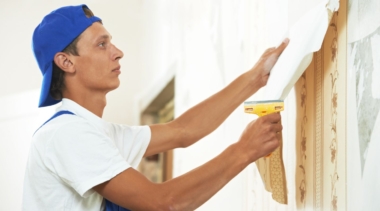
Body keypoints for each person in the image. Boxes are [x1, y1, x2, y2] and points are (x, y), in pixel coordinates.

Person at [22, 4, 288, 211]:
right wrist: (243, 151)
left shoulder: (97, 133)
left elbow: (183, 130)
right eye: (102, 44)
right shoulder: (67, 134)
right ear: (66, 62)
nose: (117, 52)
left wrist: (255, 78)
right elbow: (164, 204)